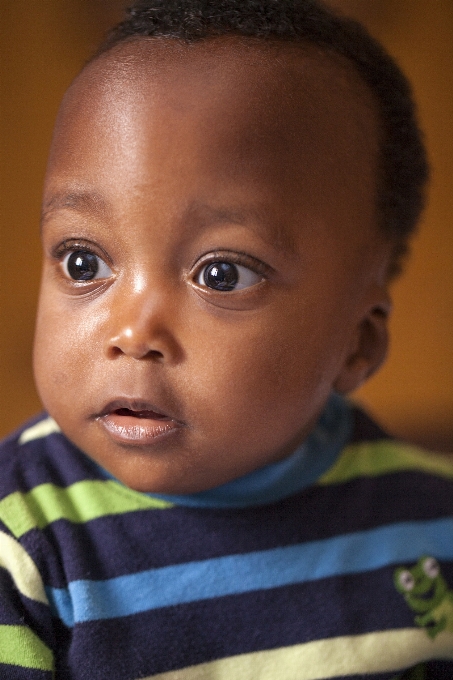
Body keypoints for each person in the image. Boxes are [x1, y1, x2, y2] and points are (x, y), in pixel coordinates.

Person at [0, 0, 452, 678]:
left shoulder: (429, 520)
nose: (132, 331)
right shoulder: (23, 541)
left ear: (355, 345)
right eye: (83, 262)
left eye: (221, 273)